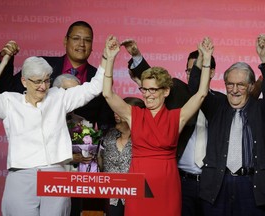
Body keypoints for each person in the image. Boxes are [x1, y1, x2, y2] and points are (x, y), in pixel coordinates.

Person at [0, 35, 117, 216]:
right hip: (21, 174)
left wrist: (106, 57)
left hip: (55, 174)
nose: (43, 86)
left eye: (46, 80)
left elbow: (94, 87)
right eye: (37, 81)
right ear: (24, 81)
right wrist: (4, 61)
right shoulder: (9, 102)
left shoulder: (59, 97)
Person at [102, 35, 213, 216]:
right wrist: (111, 58)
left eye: (153, 89)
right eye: (144, 89)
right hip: (138, 185)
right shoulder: (133, 114)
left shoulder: (177, 117)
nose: (148, 94)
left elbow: (201, 94)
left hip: (167, 187)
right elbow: (108, 94)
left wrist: (206, 59)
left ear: (166, 91)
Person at [188, 34, 265, 216]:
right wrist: (202, 59)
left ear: (252, 86)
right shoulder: (216, 106)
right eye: (230, 84)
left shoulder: (260, 109)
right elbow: (195, 89)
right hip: (217, 184)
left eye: (241, 85)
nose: (235, 90)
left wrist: (263, 59)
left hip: (251, 186)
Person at [0, 20, 114, 132]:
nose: (82, 44)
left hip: (82, 150)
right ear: (65, 41)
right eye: (76, 38)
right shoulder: (43, 65)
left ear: (92, 45)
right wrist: (5, 60)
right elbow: (8, 89)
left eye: (87, 40)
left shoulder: (99, 79)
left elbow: (106, 124)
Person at [101, 97, 145, 216]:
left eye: (120, 111)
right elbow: (102, 162)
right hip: (112, 196)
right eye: (115, 111)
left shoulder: (143, 138)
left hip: (135, 195)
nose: (116, 114)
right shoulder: (109, 135)